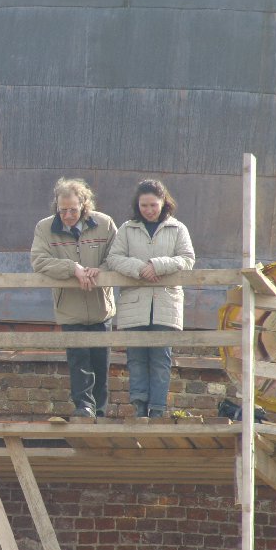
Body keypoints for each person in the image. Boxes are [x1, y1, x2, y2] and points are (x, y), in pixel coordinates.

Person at [107, 179, 195, 418]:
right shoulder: (127, 229)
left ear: (163, 202)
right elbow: (114, 258)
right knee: (136, 357)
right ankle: (139, 406)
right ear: (137, 205)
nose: (148, 210)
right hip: (134, 302)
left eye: (153, 205)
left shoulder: (177, 228)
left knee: (160, 357)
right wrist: (140, 269)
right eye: (144, 205)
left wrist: (157, 266)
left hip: (165, 303)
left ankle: (157, 408)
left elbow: (187, 259)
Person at [30, 178, 117, 418]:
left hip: (101, 306)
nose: (67, 215)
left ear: (84, 205)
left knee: (100, 363)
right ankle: (84, 408)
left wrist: (99, 271)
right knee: (79, 362)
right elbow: (39, 261)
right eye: (63, 210)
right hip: (70, 307)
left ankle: (100, 412)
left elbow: (117, 256)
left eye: (73, 210)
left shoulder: (105, 224)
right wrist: (73, 268)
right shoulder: (45, 228)